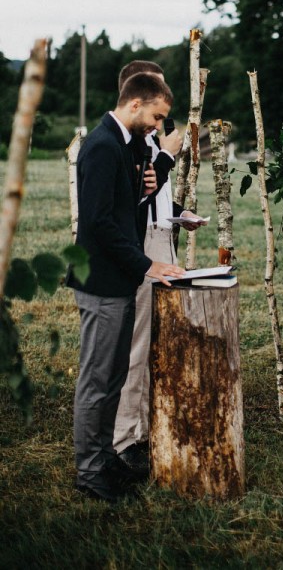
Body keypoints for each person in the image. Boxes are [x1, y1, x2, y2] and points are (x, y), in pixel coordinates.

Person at [66, 73, 186, 502]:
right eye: (156, 117)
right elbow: (99, 222)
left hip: (120, 280)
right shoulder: (100, 147)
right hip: (100, 281)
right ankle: (90, 473)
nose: (158, 127)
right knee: (97, 381)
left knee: (114, 377)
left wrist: (150, 174)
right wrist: (147, 264)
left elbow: (128, 199)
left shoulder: (125, 144)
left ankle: (105, 458)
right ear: (135, 104)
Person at [112, 60, 203, 475]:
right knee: (137, 342)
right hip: (142, 246)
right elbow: (136, 197)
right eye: (157, 107)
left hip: (161, 236)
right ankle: (126, 436)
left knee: (155, 343)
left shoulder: (144, 139)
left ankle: (147, 425)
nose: (160, 116)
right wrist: (166, 158)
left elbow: (155, 197)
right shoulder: (130, 144)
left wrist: (179, 213)